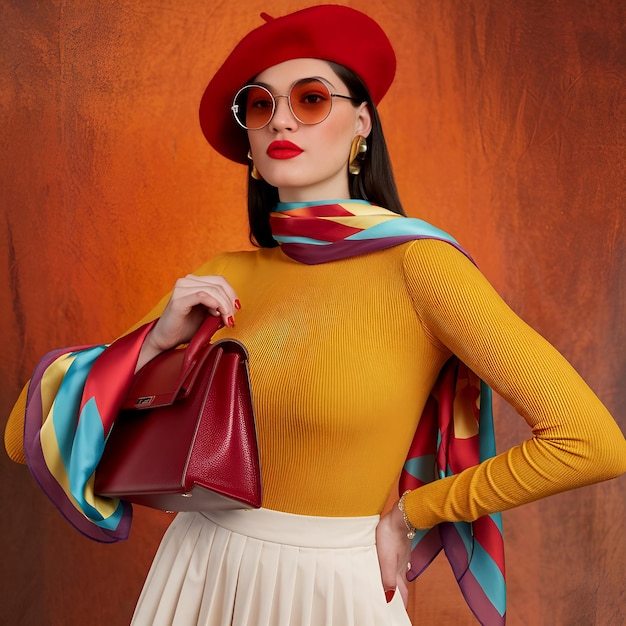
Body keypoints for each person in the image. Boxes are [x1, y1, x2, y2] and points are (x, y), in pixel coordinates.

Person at [5, 5, 626, 626]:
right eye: (259, 105)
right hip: (195, 577)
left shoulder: (421, 267)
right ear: (247, 140)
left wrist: (412, 514)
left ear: (361, 123)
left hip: (331, 589)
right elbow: (24, 435)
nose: (280, 119)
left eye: (309, 99)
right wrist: (154, 342)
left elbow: (591, 443)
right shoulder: (221, 278)